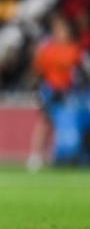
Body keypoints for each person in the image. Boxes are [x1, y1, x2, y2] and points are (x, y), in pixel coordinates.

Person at [27, 14, 83, 171]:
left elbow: (79, 73)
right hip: (49, 90)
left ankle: (57, 154)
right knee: (44, 122)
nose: (60, 33)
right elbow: (38, 72)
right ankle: (36, 155)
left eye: (62, 29)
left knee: (64, 124)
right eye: (57, 29)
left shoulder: (74, 50)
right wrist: (37, 90)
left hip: (67, 92)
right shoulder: (48, 50)